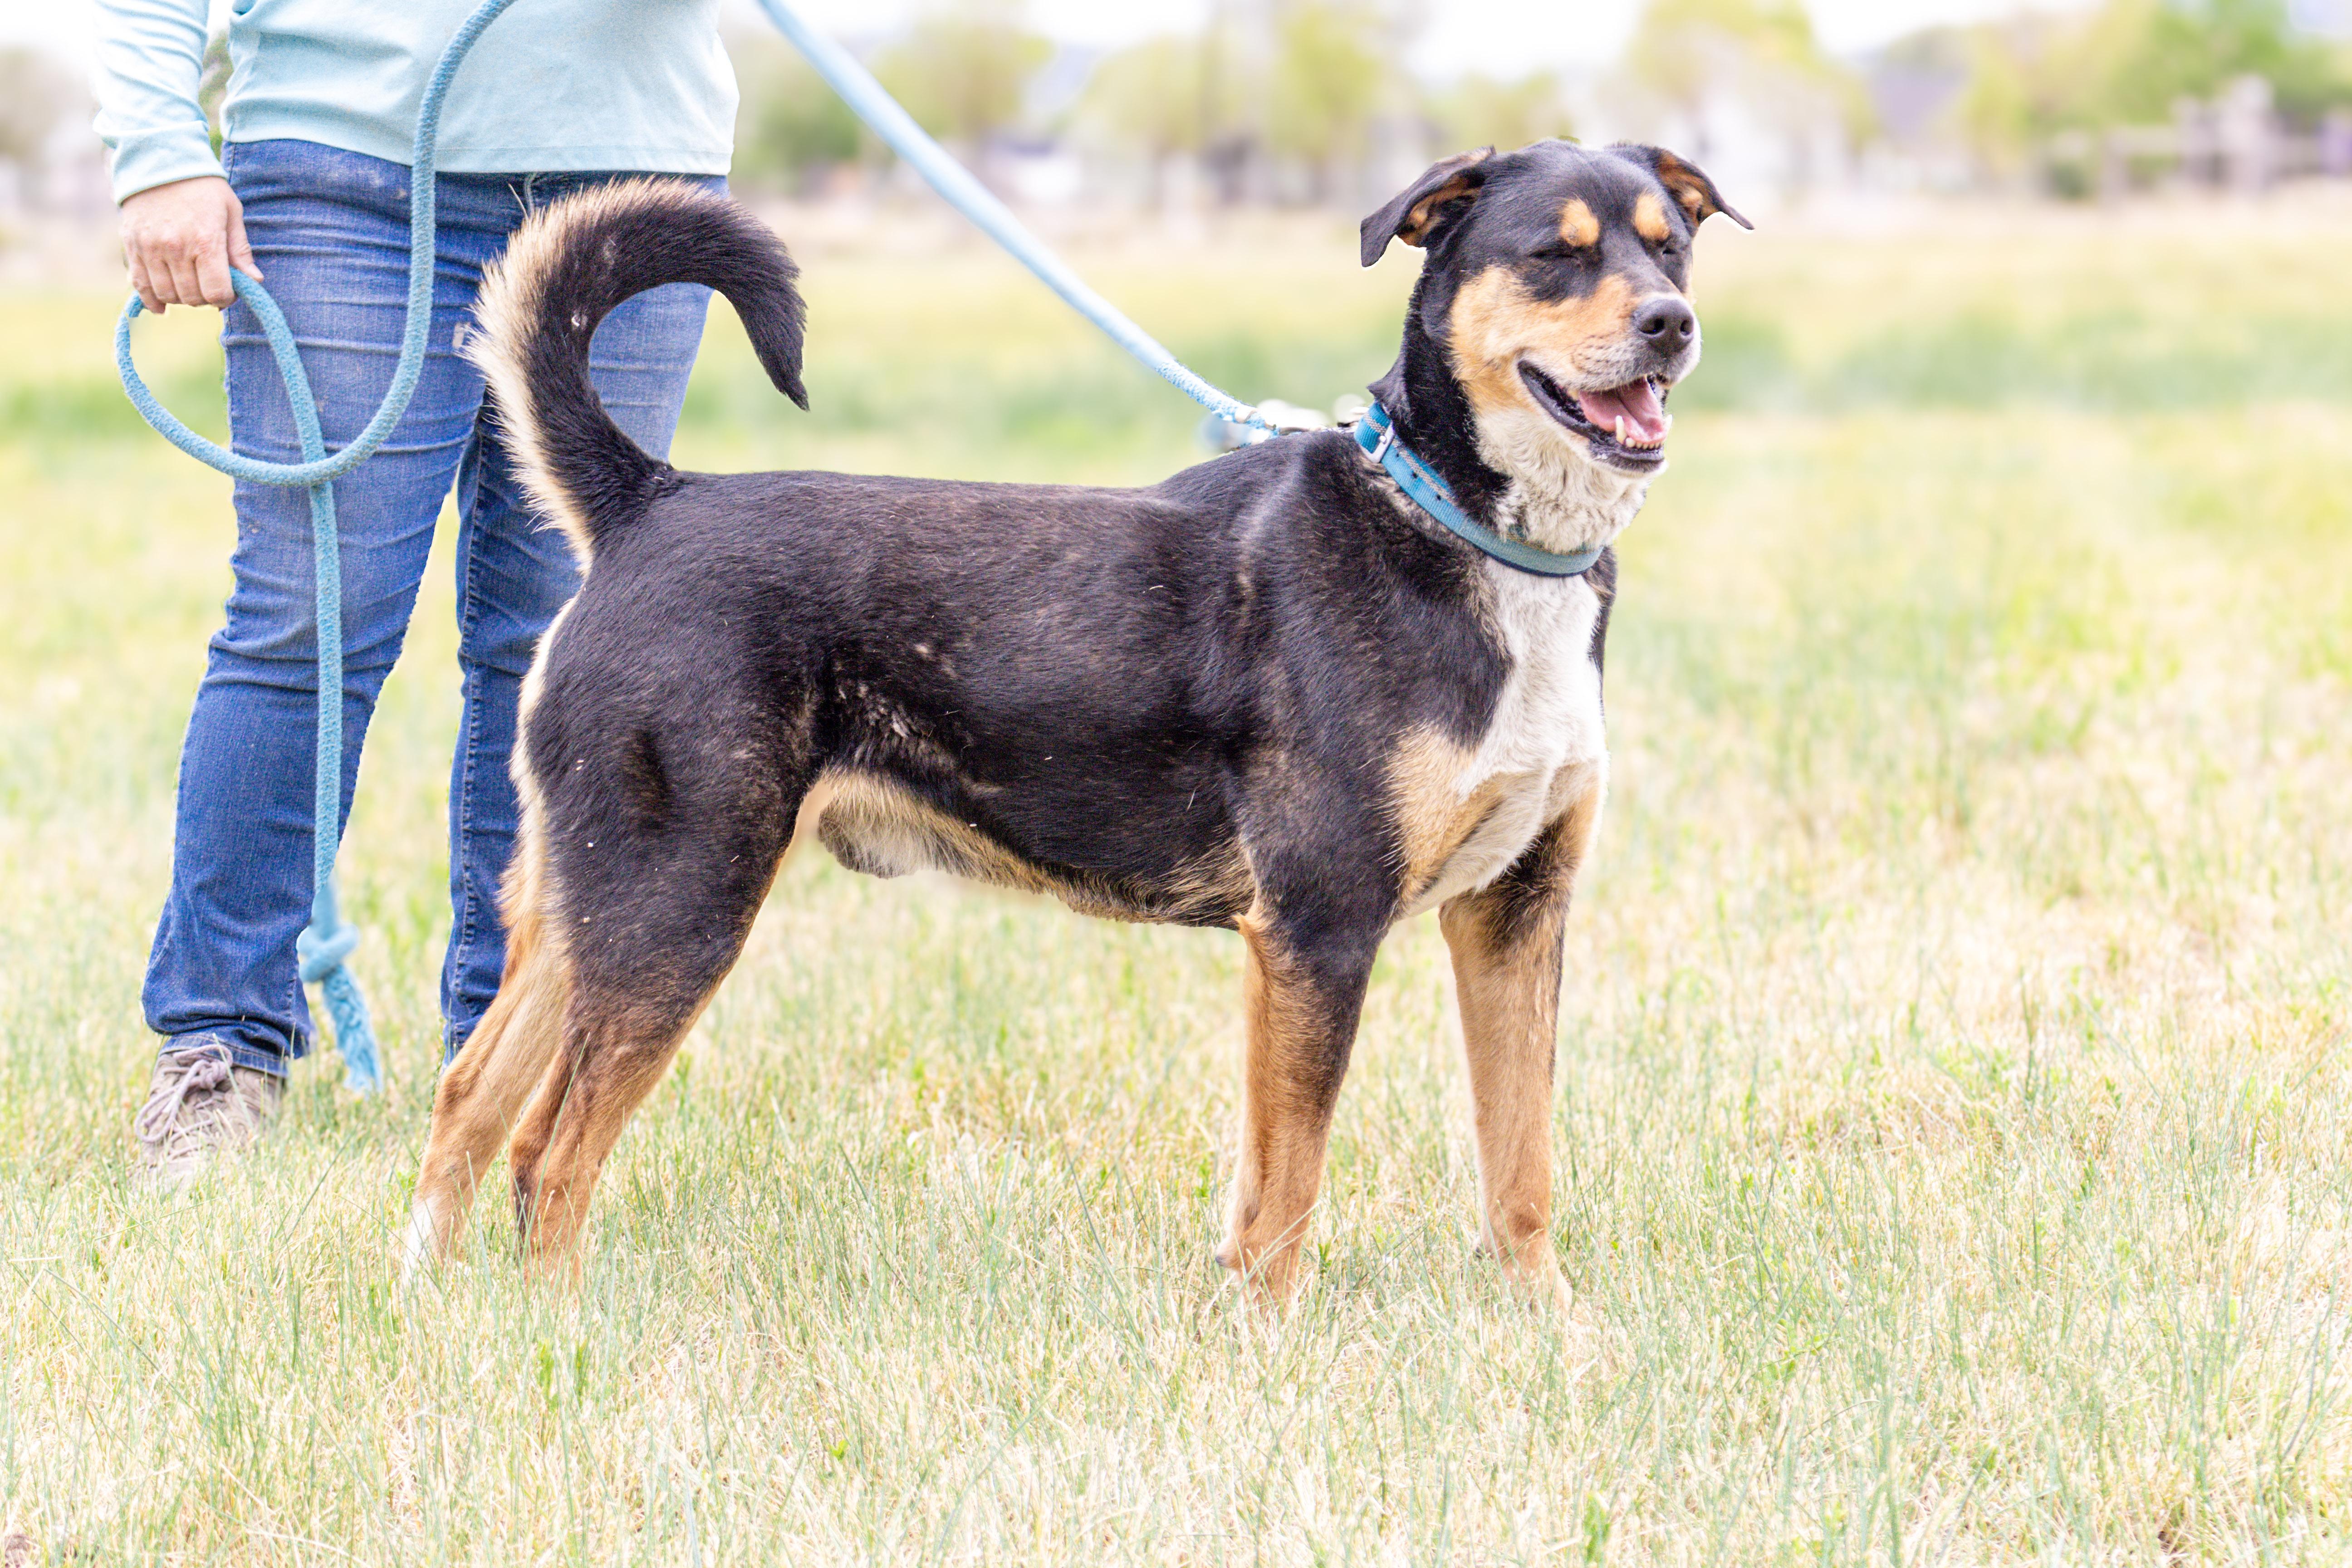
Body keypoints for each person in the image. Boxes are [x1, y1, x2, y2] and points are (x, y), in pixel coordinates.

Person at [94, 0, 739, 1181]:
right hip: (345, 176)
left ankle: (513, 1058)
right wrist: (159, 151)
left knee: (568, 650)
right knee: (305, 627)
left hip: (631, 183)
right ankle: (219, 1052)